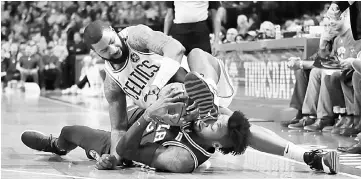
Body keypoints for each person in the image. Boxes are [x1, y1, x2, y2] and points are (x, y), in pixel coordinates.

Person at [21, 82, 338, 174]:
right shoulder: (207, 120)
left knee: (73, 131)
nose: (210, 118)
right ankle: (308, 155)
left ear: (221, 142)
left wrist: (149, 117)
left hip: (123, 149)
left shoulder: (181, 160)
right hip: (136, 124)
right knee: (65, 132)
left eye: (215, 124)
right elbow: (241, 127)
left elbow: (125, 150)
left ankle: (65, 146)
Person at [82, 20, 235, 167]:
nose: (114, 50)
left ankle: (210, 95)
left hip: (193, 91)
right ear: (94, 53)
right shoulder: (111, 83)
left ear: (113, 31)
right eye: (104, 50)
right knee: (177, 161)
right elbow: (118, 128)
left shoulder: (136, 36)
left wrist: (155, 87)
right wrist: (115, 158)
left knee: (240, 128)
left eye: (111, 42)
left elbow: (176, 48)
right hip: (172, 116)